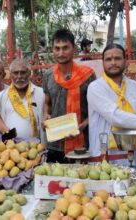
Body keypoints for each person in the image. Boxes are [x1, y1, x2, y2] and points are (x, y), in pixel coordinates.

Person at [42, 29, 96, 162]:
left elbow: (96, 109)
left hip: (82, 142)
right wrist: (45, 116)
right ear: (53, 50)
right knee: (55, 181)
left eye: (65, 48)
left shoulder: (88, 75)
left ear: (74, 48)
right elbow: (47, 103)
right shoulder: (48, 75)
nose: (61, 53)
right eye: (57, 48)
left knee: (81, 182)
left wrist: (82, 125)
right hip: (55, 143)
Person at [0, 59, 45, 142]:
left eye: (23, 72)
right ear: (11, 75)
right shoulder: (1, 96)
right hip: (10, 148)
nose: (19, 76)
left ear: (29, 74)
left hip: (36, 148)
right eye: (15, 73)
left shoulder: (41, 94)